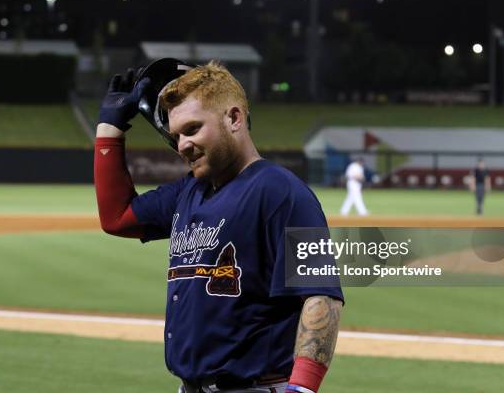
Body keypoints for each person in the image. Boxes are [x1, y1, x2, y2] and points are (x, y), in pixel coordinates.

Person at [94, 61, 344, 393]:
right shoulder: (189, 191)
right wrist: (109, 129)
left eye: (193, 129)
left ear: (234, 118)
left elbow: (321, 297)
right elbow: (117, 217)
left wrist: (302, 389)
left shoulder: (279, 191)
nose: (182, 145)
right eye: (176, 135)